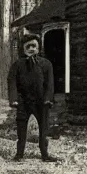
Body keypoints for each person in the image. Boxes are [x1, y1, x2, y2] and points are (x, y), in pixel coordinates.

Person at [7, 33, 59, 162]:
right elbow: (12, 83)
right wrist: (14, 99)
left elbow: (50, 84)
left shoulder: (46, 64)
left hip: (41, 101)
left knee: (43, 128)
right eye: (28, 46)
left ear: (39, 47)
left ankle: (44, 154)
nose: (31, 49)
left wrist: (48, 98)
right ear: (23, 48)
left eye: (34, 46)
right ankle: (19, 154)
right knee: (21, 128)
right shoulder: (17, 65)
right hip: (23, 101)